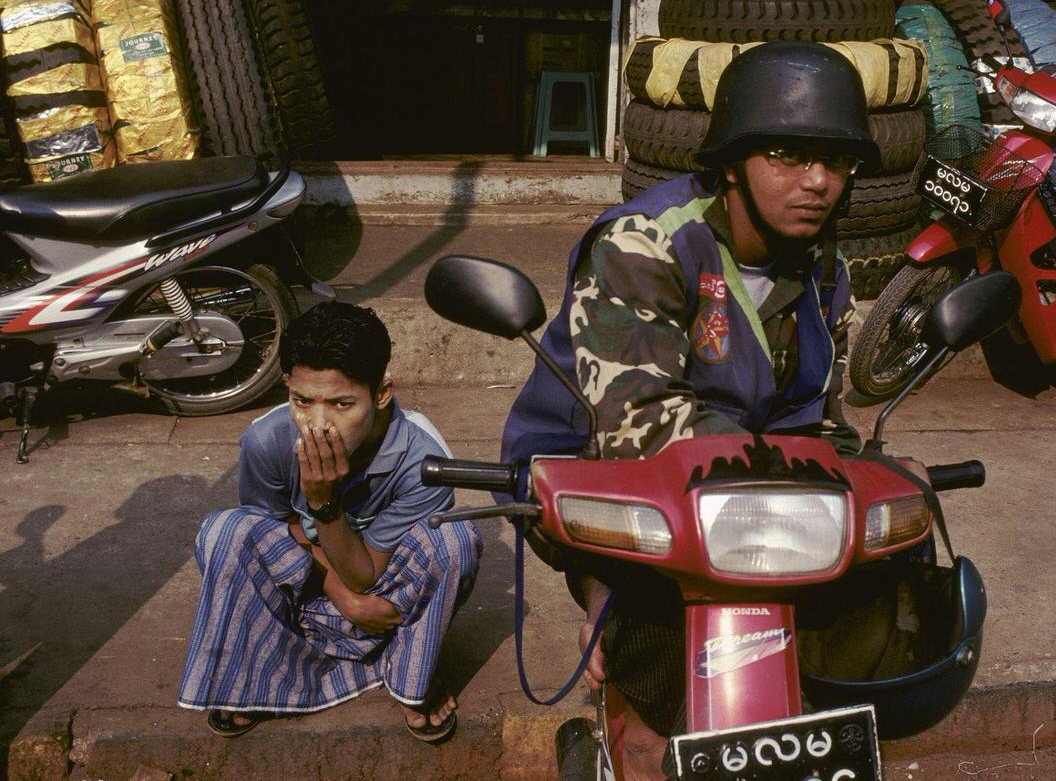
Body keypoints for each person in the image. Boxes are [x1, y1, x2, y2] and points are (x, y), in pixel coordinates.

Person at [499, 42, 918, 779]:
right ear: (731, 163)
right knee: (659, 679)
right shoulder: (646, 242)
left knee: (874, 612)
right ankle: (621, 715)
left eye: (836, 160)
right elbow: (639, 424)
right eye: (788, 155)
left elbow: (821, 418)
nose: (816, 181)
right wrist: (795, 483)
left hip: (754, 505)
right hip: (604, 486)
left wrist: (866, 476)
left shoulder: (826, 268)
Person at [178, 302, 482, 743]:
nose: (318, 425)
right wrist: (343, 597)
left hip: (387, 609)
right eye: (302, 401)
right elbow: (268, 535)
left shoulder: (423, 458)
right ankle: (263, 677)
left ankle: (409, 674)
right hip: (312, 599)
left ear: (381, 393)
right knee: (226, 531)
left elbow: (365, 578)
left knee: (456, 539)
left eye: (342, 404)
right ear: (287, 388)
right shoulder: (268, 438)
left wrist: (324, 505)